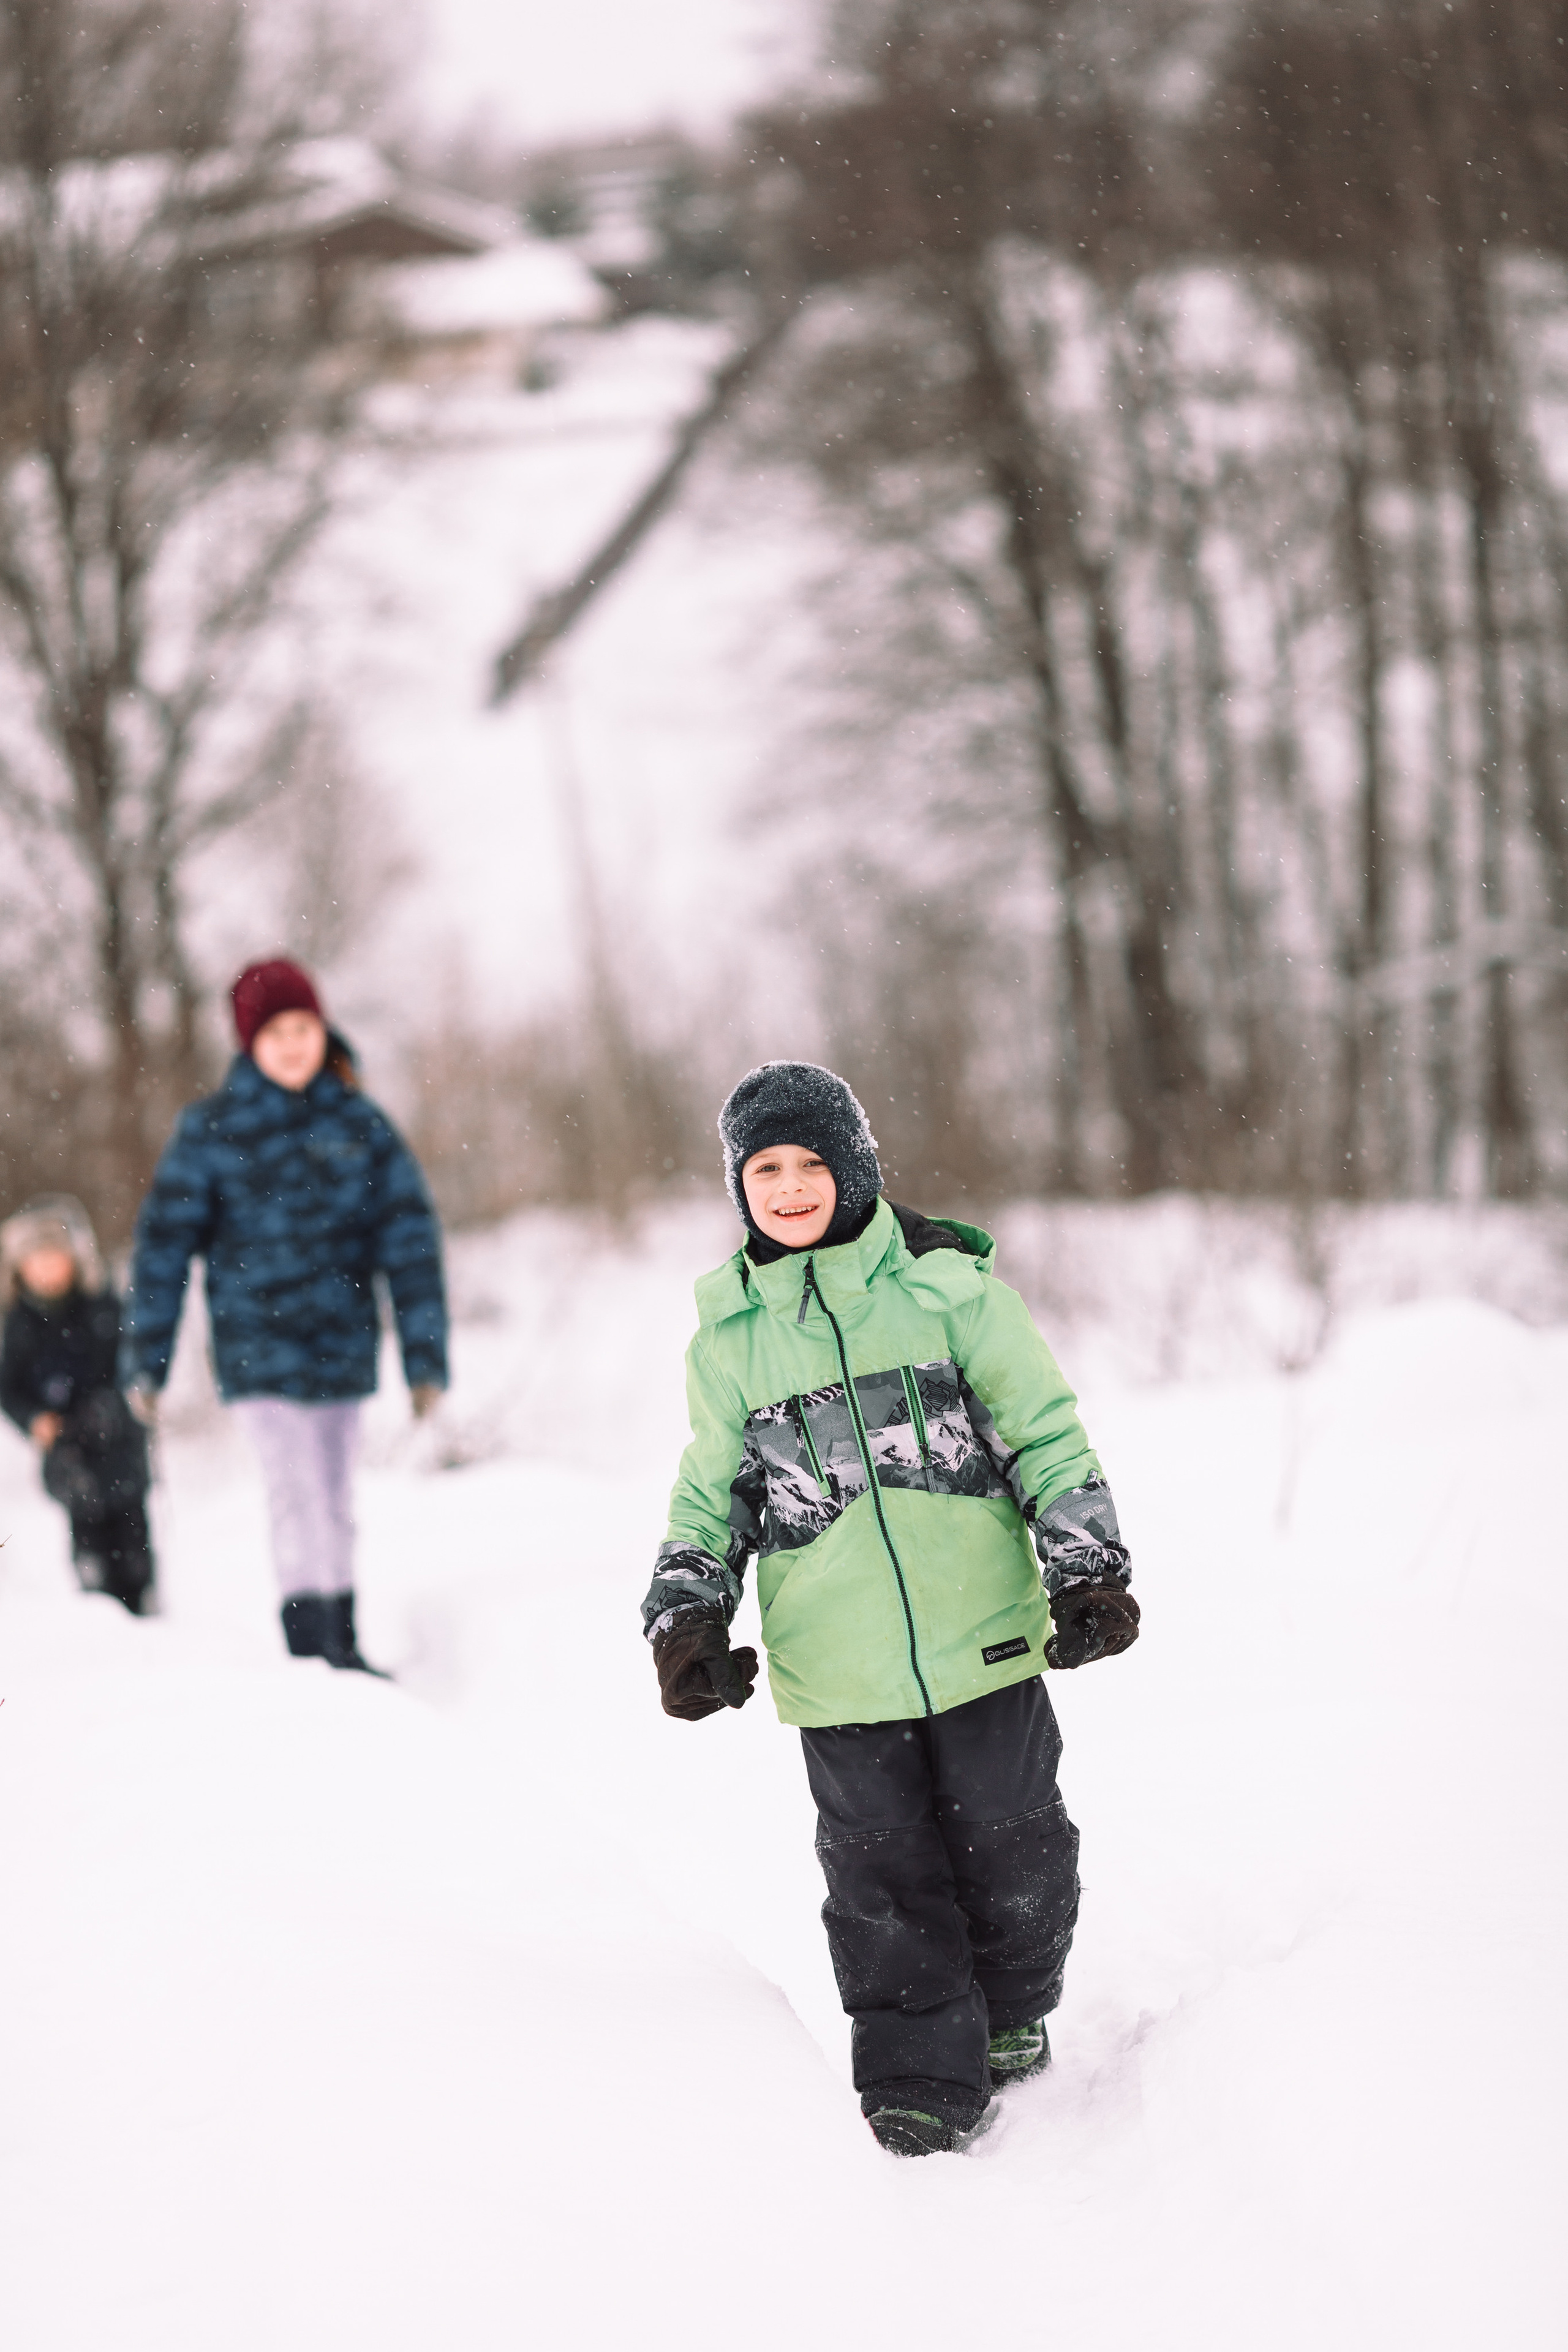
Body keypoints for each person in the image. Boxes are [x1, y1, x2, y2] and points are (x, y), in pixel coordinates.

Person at [641, 1061, 1140, 2157]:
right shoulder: (731, 1342)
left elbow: (1045, 1438)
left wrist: (1086, 1569)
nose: (788, 1186)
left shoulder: (949, 1296)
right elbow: (709, 1494)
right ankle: (917, 2072)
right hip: (838, 1665)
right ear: (740, 1187)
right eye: (763, 1168)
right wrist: (686, 1618)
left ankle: (1013, 2005)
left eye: (811, 1162)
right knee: (879, 1874)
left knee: (1017, 1848)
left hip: (988, 1637)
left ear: (854, 1169)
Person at [123, 959, 447, 1674]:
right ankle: (310, 1652)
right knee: (295, 1489)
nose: (293, 1044)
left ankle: (342, 1641)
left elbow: (410, 1241)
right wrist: (146, 1360)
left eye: (303, 1027)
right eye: (275, 1032)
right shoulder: (212, 1131)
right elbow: (163, 1249)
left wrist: (424, 1358)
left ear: (321, 1029)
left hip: (341, 1346)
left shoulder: (359, 1124)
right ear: (249, 1044)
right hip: (257, 1351)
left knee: (332, 1495)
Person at [1, 1194, 156, 1615]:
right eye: (36, 1261)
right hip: (67, 1449)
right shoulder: (18, 1327)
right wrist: (34, 1420)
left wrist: (118, 1402)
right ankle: (99, 1606)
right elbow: (7, 1387)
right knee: (87, 1531)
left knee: (131, 1532)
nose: (47, 1269)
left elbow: (127, 1363)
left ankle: (143, 1600)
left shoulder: (102, 1307)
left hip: (117, 1441)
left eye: (54, 1257)